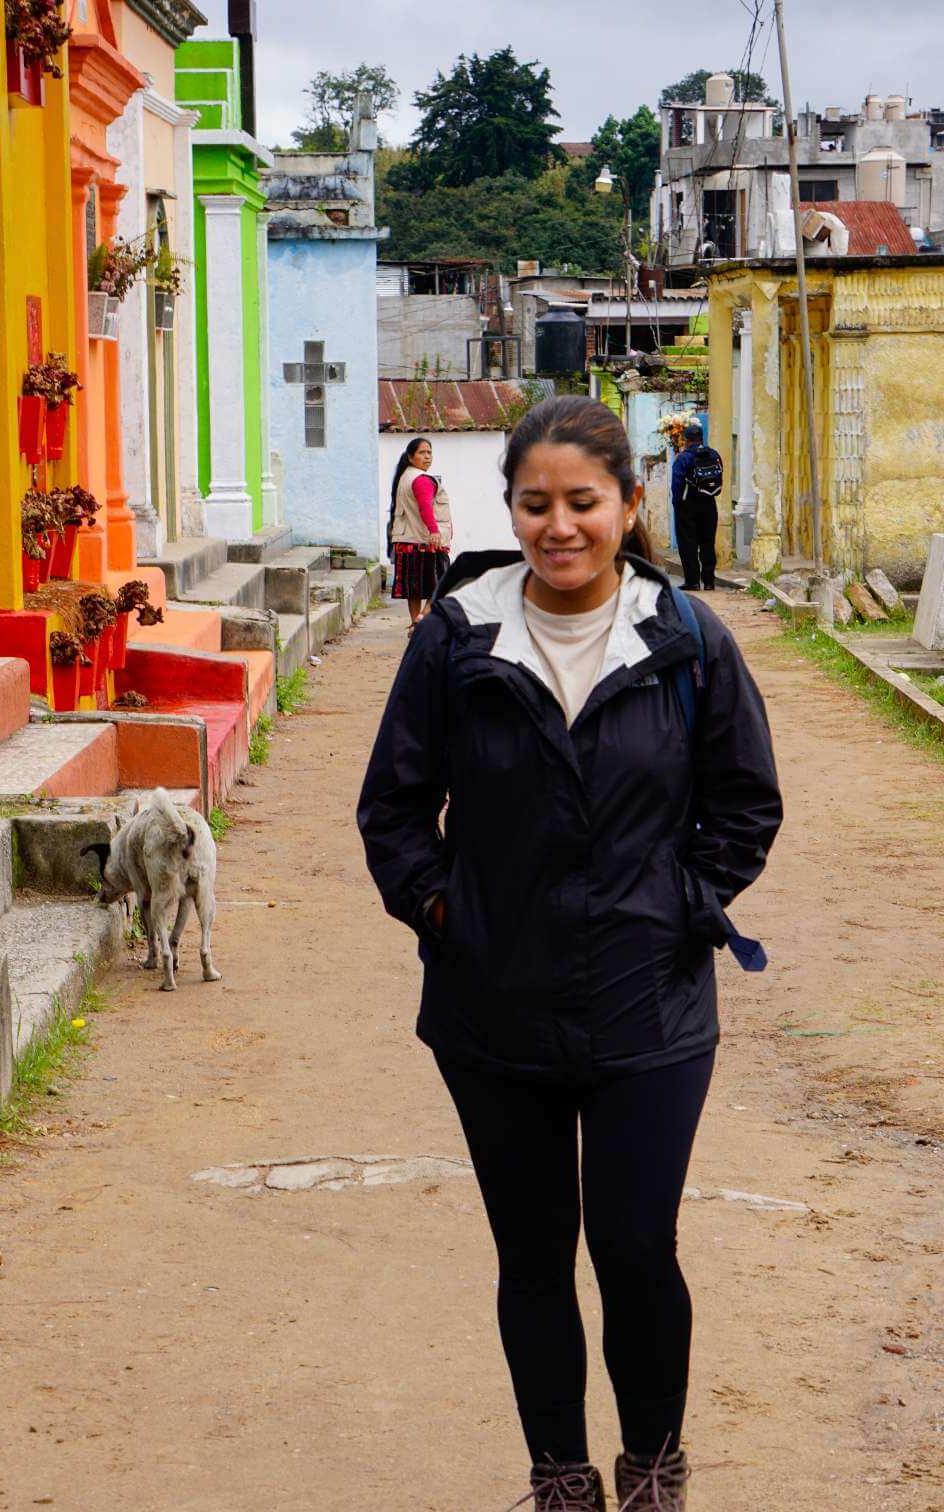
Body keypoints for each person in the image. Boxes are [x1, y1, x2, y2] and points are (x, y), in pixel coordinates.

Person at [358, 396, 782, 1511]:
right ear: (510, 508)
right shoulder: (458, 640)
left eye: (583, 503)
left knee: (638, 1245)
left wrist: (678, 905)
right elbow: (395, 809)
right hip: (494, 1008)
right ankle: (561, 1482)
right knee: (534, 1255)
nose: (559, 526)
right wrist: (450, 916)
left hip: (651, 1005)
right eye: (535, 503)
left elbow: (746, 804)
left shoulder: (687, 639)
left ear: (628, 504)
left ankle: (653, 1472)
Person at [387, 437, 452, 628]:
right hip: (427, 542)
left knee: (414, 589)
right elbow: (425, 508)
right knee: (442, 584)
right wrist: (434, 531)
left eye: (429, 452)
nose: (427, 457)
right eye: (422, 453)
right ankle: (421, 619)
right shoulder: (421, 480)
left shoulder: (405, 477)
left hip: (408, 541)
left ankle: (415, 622)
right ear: (410, 457)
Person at [670, 422, 723, 592]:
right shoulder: (714, 454)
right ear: (702, 437)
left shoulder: (683, 458)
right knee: (708, 543)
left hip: (687, 506)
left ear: (686, 440)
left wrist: (677, 504)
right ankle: (709, 581)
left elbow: (677, 484)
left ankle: (692, 581)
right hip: (709, 504)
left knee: (688, 545)